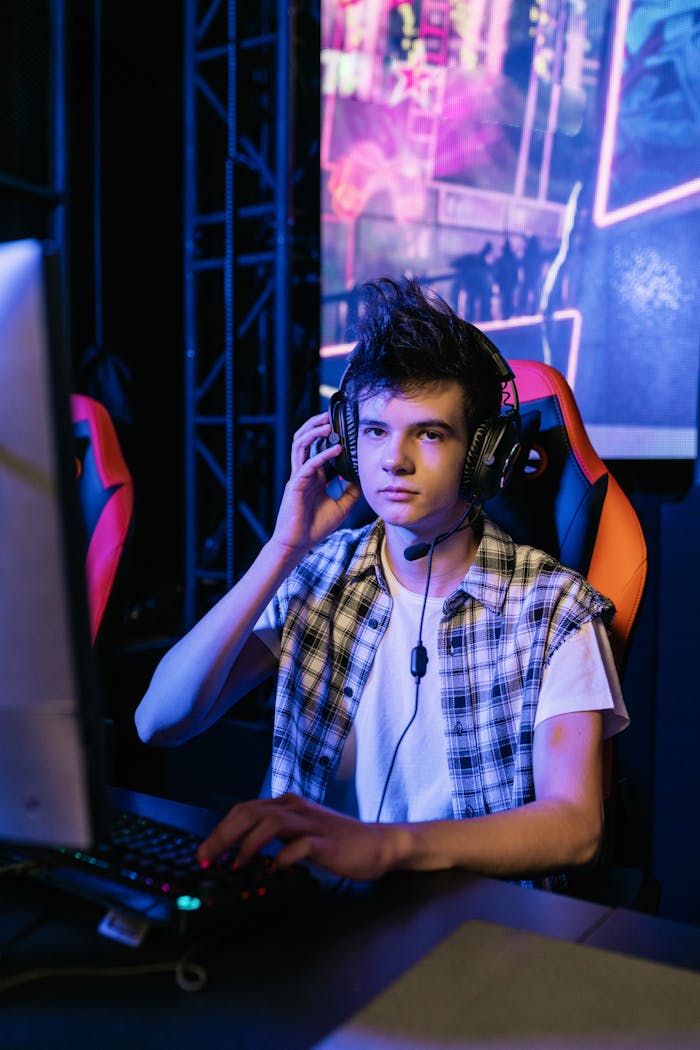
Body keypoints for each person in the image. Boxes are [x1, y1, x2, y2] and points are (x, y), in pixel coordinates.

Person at [135, 277, 628, 889]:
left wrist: (386, 847)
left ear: (484, 455)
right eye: (374, 431)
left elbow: (575, 827)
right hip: (309, 924)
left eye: (428, 433)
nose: (393, 459)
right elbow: (159, 722)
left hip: (476, 934)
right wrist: (284, 549)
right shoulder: (317, 575)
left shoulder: (554, 608)